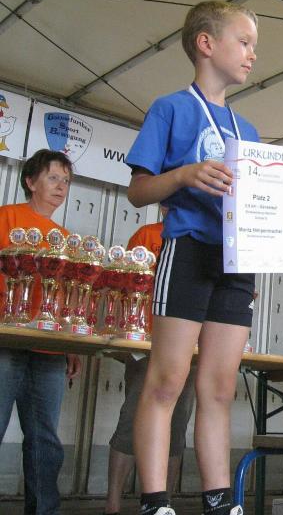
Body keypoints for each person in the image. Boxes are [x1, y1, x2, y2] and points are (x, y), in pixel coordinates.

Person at [124, 0, 283, 515]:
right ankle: (154, 501)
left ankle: (220, 501)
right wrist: (184, 175)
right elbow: (138, 190)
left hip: (237, 262)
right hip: (188, 250)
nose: (252, 55)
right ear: (206, 43)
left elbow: (250, 199)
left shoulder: (247, 129)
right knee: (167, 380)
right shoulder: (170, 108)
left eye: (254, 46)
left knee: (221, 387)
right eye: (244, 42)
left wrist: (282, 208)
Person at [0, 148, 81, 515]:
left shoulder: (66, 239)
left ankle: (44, 510)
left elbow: (68, 297)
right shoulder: (7, 217)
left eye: (66, 181)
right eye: (53, 178)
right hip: (7, 341)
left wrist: (72, 345)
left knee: (45, 439)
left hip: (49, 349)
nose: (61, 186)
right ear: (31, 181)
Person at [103, 208, 196, 515]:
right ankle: (113, 505)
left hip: (189, 345)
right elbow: (126, 285)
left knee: (177, 426)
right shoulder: (146, 235)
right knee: (133, 418)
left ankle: (163, 502)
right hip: (148, 343)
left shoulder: (203, 239)